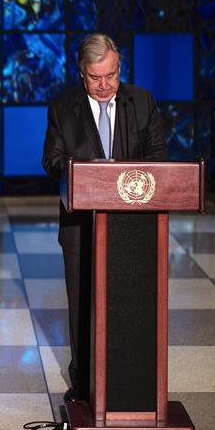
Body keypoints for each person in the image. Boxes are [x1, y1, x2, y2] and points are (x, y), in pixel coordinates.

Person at [42, 33, 167, 403]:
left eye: (110, 76)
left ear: (119, 69)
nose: (104, 85)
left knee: (130, 306)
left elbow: (158, 155)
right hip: (81, 230)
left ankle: (128, 382)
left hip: (135, 228)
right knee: (82, 308)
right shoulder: (63, 108)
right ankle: (82, 385)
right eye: (95, 78)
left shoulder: (141, 102)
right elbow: (50, 160)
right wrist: (83, 173)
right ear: (82, 73)